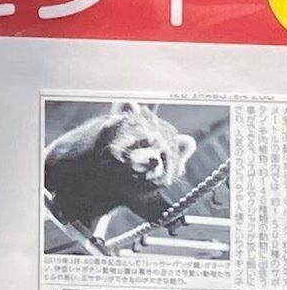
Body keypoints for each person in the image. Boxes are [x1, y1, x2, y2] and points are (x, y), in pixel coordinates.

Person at [42, 103, 200, 250]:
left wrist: (172, 217)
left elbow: (147, 203)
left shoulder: (134, 186)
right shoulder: (88, 144)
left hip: (79, 218)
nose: (154, 159)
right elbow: (54, 163)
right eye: (144, 144)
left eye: (163, 157)